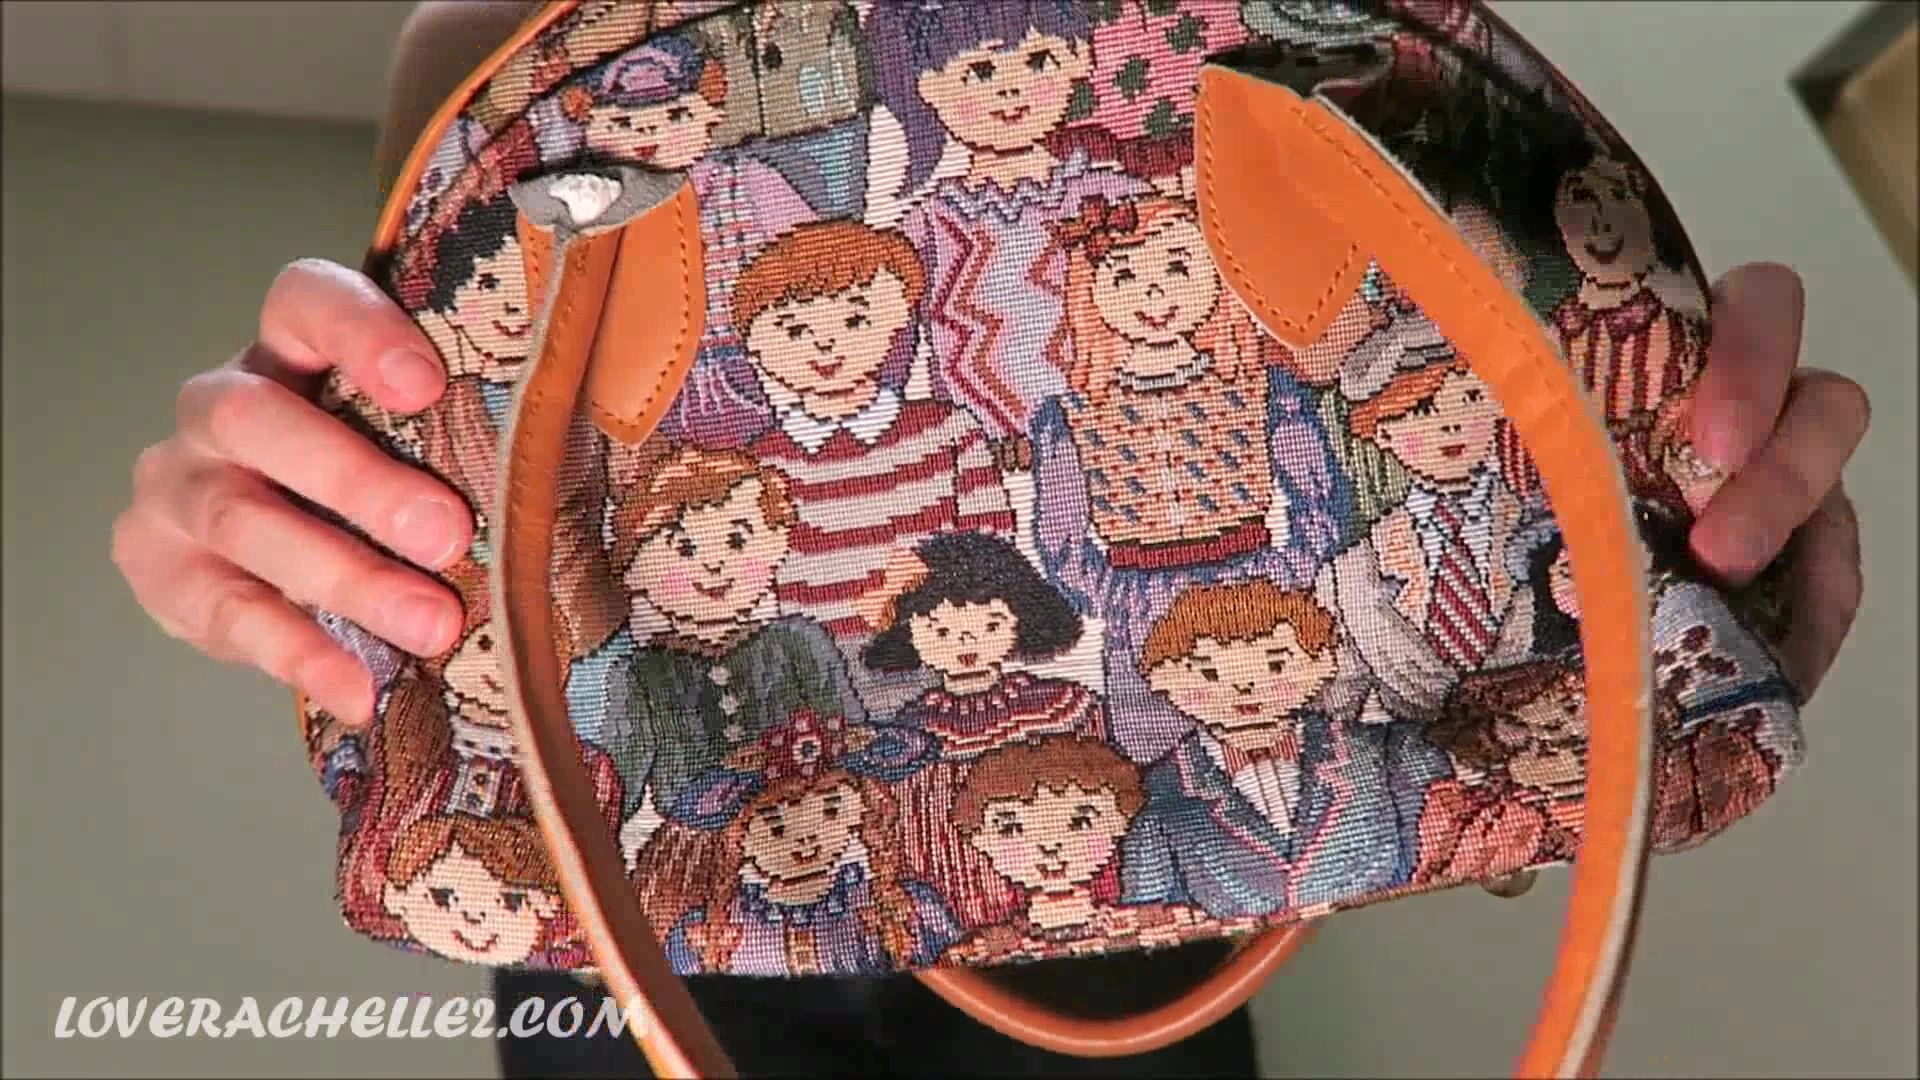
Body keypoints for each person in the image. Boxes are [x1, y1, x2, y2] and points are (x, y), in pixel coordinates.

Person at [107, 2, 1870, 1077]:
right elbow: (476, 462)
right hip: (646, 860)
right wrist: (284, 498)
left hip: (1139, 868)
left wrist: (1657, 510)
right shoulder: (492, 38)